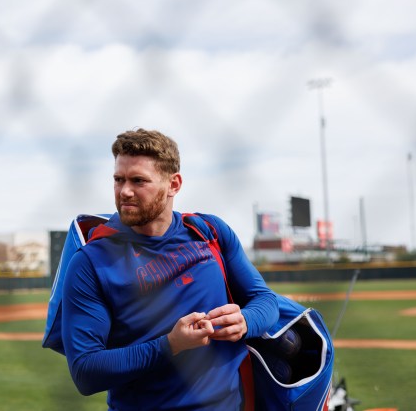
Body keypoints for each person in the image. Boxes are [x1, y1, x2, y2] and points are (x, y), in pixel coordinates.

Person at [62, 128, 279, 411]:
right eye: (118, 179)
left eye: (138, 180)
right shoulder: (91, 262)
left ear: (173, 184)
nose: (124, 191)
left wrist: (246, 321)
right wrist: (170, 345)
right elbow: (85, 372)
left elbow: (266, 301)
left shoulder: (209, 232)